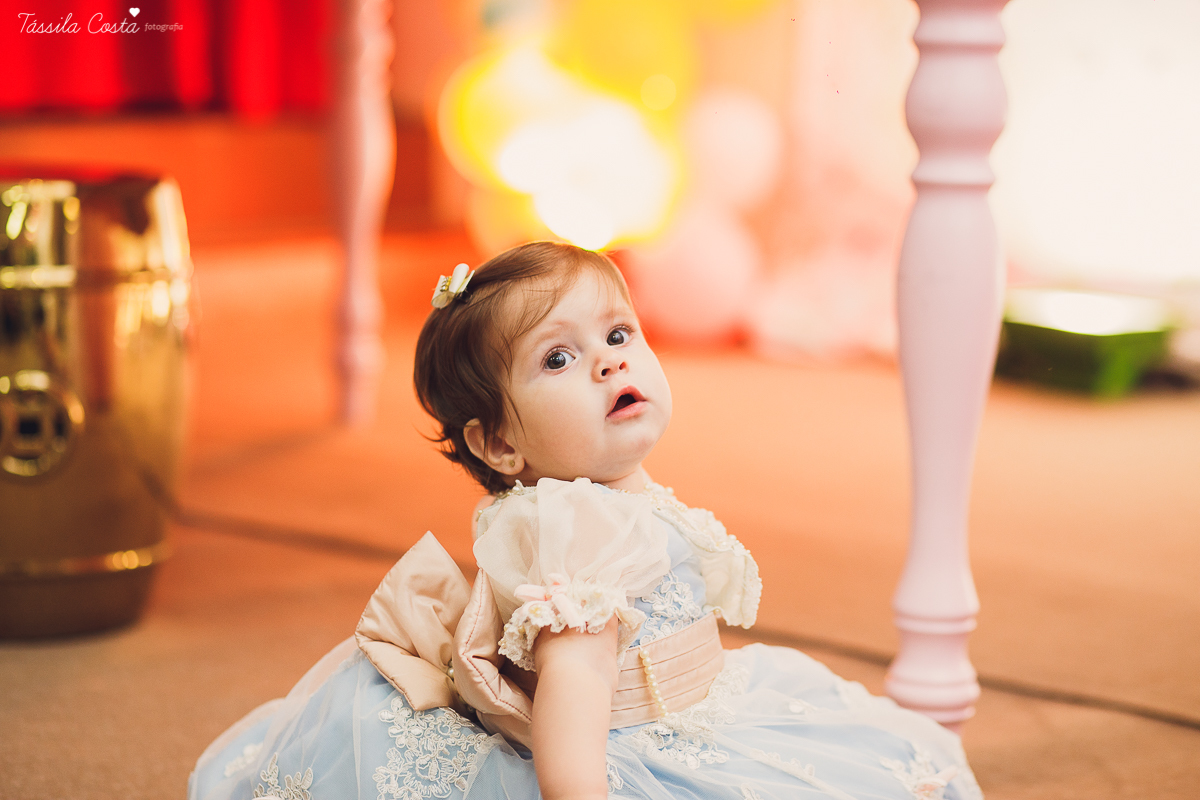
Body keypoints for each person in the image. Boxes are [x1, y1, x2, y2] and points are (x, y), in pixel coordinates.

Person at [189, 242, 982, 800]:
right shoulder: (579, 531)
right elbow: (575, 686)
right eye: (557, 359)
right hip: (619, 752)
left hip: (689, 705)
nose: (609, 362)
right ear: (499, 443)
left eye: (617, 334)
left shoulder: (599, 498)